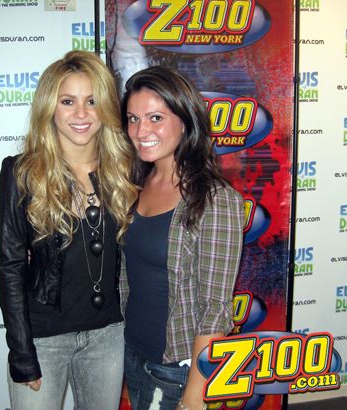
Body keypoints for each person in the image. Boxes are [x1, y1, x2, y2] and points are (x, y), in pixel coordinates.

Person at [0, 50, 138, 410]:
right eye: (68, 101)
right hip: (43, 338)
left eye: (92, 101)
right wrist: (21, 351)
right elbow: (11, 267)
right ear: (50, 107)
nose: (81, 114)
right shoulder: (21, 172)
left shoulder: (124, 169)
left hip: (107, 335)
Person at [120, 66, 245, 410]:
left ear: (186, 120)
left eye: (156, 118)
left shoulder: (216, 200)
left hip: (176, 369)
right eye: (133, 119)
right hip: (131, 353)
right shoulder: (133, 184)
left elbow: (215, 309)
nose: (141, 131)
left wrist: (195, 394)